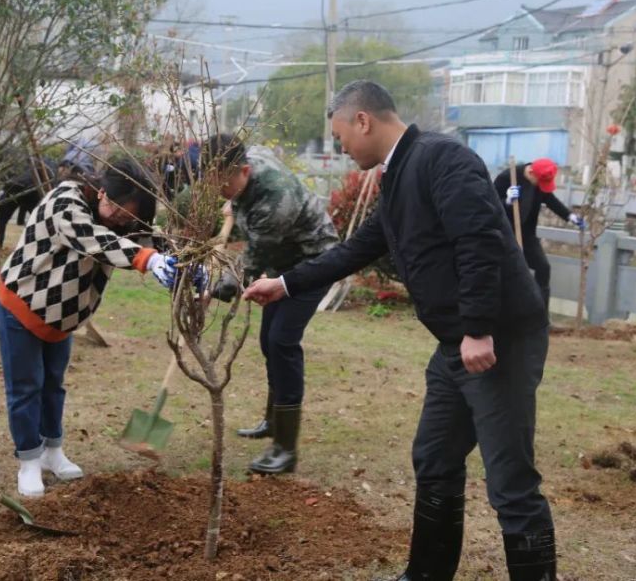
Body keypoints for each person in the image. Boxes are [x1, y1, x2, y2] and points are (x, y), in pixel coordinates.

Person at [244, 81, 556, 581]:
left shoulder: (443, 160)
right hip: (456, 344)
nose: (341, 148)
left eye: (340, 135)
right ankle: (425, 575)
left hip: (498, 342)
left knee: (510, 481)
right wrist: (285, 283)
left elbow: (478, 241)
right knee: (434, 459)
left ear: (363, 120)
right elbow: (356, 249)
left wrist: (477, 328)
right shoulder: (399, 176)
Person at [0, 159, 192, 498]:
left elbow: (150, 240)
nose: (117, 217)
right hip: (22, 306)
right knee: (26, 387)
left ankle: (52, 452)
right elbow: (90, 238)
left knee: (53, 385)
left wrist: (185, 265)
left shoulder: (123, 220)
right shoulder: (65, 201)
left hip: (63, 319)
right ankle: (28, 461)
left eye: (127, 215)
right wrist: (147, 260)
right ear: (102, 190)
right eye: (114, 208)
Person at [201, 134, 338, 475]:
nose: (219, 192)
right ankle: (274, 420)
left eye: (224, 186)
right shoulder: (248, 162)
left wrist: (217, 289)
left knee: (282, 342)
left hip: (313, 261)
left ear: (245, 170)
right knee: (269, 341)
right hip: (283, 262)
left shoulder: (274, 199)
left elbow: (249, 265)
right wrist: (234, 201)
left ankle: (285, 449)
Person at [494, 159, 584, 311]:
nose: (541, 187)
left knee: (543, 268)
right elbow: (491, 204)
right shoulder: (507, 178)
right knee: (507, 273)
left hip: (527, 235)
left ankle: (541, 315)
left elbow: (550, 199)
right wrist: (507, 201)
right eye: (540, 182)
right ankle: (504, 314)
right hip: (505, 235)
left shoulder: (539, 181)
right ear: (530, 172)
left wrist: (570, 216)